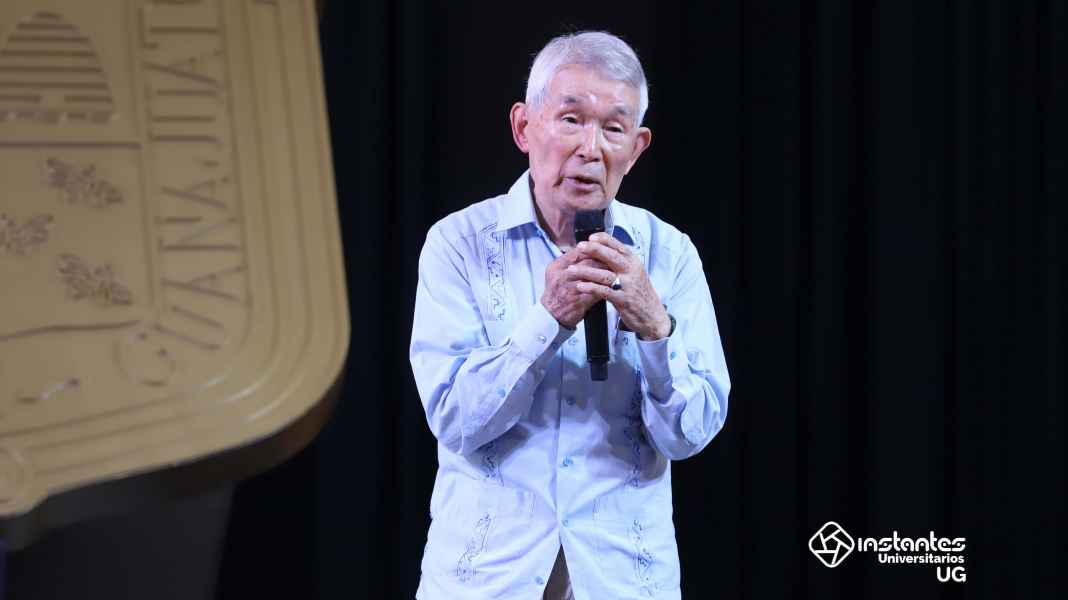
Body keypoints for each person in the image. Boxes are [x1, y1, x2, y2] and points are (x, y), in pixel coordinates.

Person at [409, 31, 730, 599]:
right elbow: (455, 420)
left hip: (624, 578)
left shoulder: (669, 254)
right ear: (523, 127)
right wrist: (548, 320)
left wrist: (656, 330)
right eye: (571, 119)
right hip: (487, 578)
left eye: (613, 128)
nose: (590, 148)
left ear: (637, 147)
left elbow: (691, 435)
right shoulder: (457, 244)